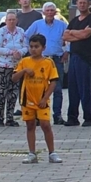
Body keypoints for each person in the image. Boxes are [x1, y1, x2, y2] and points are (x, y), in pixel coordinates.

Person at [12, 35, 62, 164]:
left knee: (45, 125)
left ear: (43, 48)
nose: (34, 49)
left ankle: (52, 152)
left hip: (41, 100)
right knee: (30, 125)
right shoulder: (24, 62)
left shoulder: (48, 62)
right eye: (31, 47)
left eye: (37, 47)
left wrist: (45, 98)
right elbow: (14, 78)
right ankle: (32, 153)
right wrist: (23, 71)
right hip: (27, 99)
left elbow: (53, 81)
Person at [26, 2, 68, 125]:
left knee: (58, 88)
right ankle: (39, 116)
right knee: (39, 88)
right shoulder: (37, 24)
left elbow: (69, 38)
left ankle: (57, 115)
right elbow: (26, 37)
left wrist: (67, 52)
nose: (49, 13)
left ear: (55, 12)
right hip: (40, 60)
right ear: (43, 13)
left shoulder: (62, 25)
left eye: (52, 10)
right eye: (47, 10)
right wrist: (31, 52)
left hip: (56, 60)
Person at [62, 0, 91, 126]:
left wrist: (75, 34)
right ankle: (72, 117)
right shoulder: (74, 20)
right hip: (74, 57)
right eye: (80, 3)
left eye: (84, 3)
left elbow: (86, 34)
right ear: (76, 4)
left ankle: (88, 118)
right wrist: (78, 34)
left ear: (88, 4)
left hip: (86, 58)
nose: (82, 5)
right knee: (73, 89)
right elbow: (65, 36)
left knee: (85, 89)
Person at [0, 11, 28, 127]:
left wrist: (20, 52)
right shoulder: (1, 32)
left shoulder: (21, 32)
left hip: (15, 67)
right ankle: (0, 118)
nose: (11, 22)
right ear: (6, 21)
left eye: (13, 19)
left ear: (17, 20)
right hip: (2, 66)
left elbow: (26, 46)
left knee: (13, 94)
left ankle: (10, 118)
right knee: (1, 94)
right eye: (9, 20)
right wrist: (11, 52)